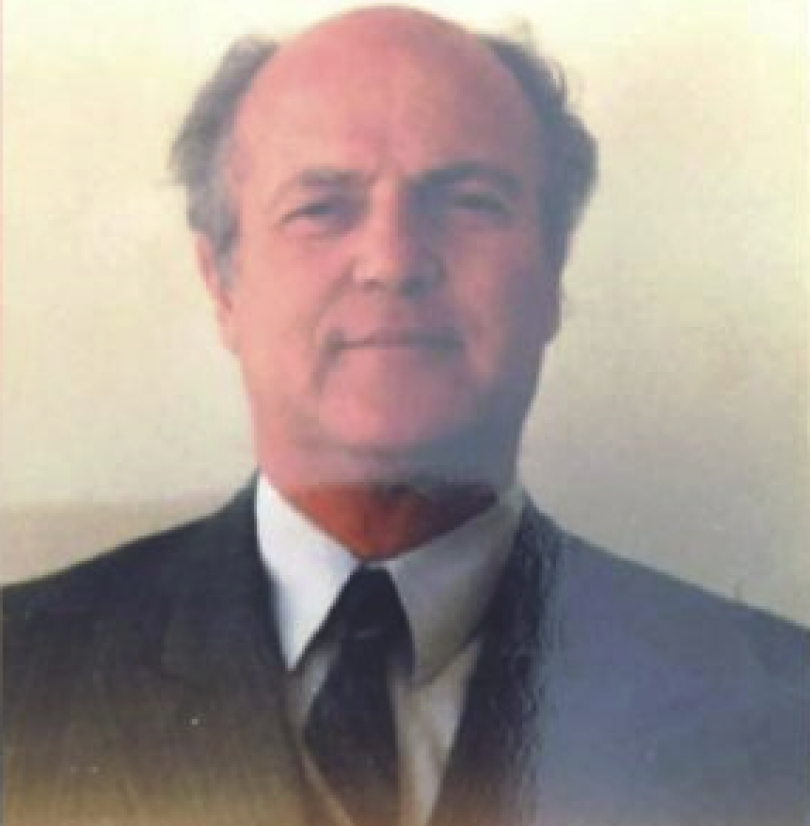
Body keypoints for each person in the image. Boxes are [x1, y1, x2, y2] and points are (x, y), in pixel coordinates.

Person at [3, 7, 807, 826]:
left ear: (551, 274)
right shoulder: (17, 677)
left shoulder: (782, 711)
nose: (392, 262)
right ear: (222, 283)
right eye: (321, 208)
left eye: (468, 202)